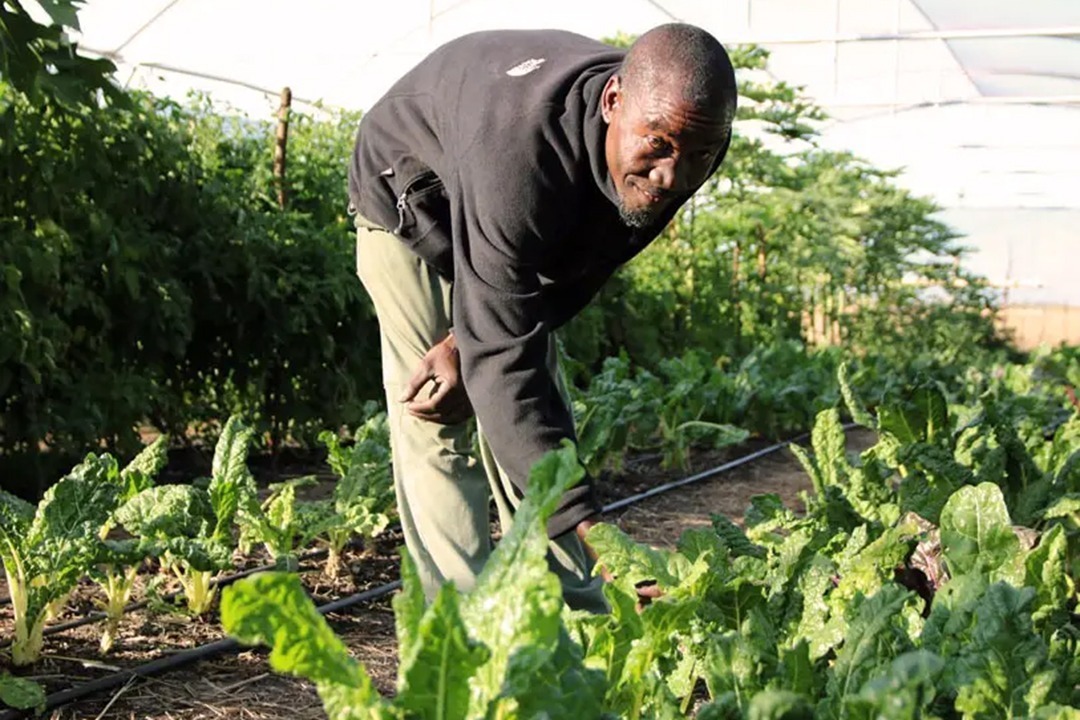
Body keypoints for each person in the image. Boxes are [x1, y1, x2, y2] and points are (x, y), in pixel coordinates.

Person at [347, 23, 737, 612]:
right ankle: (463, 633)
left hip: (510, 216)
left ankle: (575, 613)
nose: (673, 177)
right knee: (437, 405)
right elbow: (501, 358)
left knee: (533, 394)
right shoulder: (517, 152)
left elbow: (579, 271)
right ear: (613, 102)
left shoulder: (686, 136)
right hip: (413, 188)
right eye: (657, 145)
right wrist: (598, 533)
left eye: (699, 155)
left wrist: (476, 339)